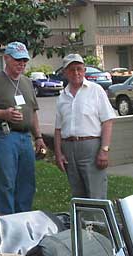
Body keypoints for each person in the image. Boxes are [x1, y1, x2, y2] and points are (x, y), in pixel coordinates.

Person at [0, 42, 46, 214]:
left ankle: (23, 219)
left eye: (24, 61)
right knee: (6, 183)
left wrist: (39, 137)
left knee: (27, 182)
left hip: (24, 138)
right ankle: (8, 221)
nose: (21, 64)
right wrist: (3, 114)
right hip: (4, 137)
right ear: (6, 58)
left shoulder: (27, 82)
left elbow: (33, 112)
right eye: (17, 60)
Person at [54, 54, 115, 199]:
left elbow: (107, 121)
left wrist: (104, 150)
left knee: (96, 193)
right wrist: (58, 153)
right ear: (65, 73)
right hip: (69, 149)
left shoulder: (96, 90)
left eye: (79, 69)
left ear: (84, 70)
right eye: (71, 70)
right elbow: (58, 129)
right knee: (78, 195)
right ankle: (83, 222)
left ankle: (98, 221)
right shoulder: (62, 96)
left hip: (91, 148)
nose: (76, 73)